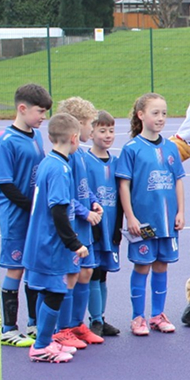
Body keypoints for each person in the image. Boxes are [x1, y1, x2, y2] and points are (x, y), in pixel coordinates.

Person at [116, 93, 186, 336]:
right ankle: (138, 317)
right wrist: (131, 217)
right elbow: (124, 185)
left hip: (166, 222)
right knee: (142, 266)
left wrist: (181, 212)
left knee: (161, 265)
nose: (161, 118)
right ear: (141, 115)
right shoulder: (132, 149)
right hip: (144, 222)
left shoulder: (170, 148)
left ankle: (157, 314)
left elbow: (178, 181)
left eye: (164, 113)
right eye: (155, 113)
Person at [23, 113, 90, 364]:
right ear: (74, 138)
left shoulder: (48, 163)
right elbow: (59, 210)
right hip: (50, 244)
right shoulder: (60, 169)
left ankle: (45, 339)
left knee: (45, 290)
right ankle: (41, 346)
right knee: (55, 291)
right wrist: (74, 243)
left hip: (40, 241)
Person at [0, 83, 51, 347]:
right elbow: (5, 184)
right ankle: (8, 328)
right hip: (16, 216)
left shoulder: (36, 136)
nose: (43, 117)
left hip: (34, 216)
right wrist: (32, 206)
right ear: (22, 108)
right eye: (40, 111)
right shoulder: (6, 142)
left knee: (32, 267)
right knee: (15, 268)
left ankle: (33, 323)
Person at [53, 97, 106, 349]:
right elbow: (67, 197)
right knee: (71, 276)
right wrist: (86, 213)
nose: (91, 129)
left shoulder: (82, 155)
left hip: (86, 226)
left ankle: (77, 324)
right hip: (76, 226)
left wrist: (94, 202)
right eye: (88, 124)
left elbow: (85, 188)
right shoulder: (67, 158)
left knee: (86, 272)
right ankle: (62, 328)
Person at [82, 110, 122, 337]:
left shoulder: (117, 162)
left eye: (111, 130)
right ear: (92, 131)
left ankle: (101, 317)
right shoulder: (86, 161)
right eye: (102, 130)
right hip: (93, 227)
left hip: (110, 228)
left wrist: (118, 226)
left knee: (104, 272)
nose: (107, 135)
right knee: (93, 272)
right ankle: (94, 319)